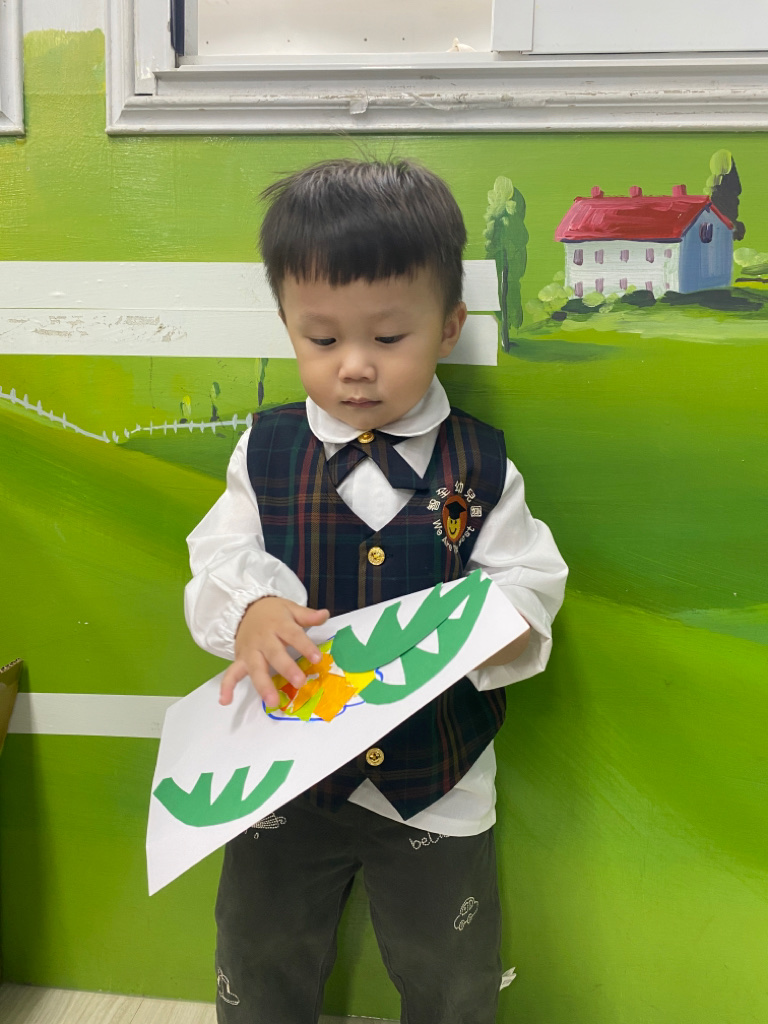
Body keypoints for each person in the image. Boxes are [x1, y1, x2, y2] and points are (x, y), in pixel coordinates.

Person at [184, 158, 568, 1024]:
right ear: (287, 325)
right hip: (282, 774)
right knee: (260, 949)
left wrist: (509, 623)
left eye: (388, 338)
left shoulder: (483, 465)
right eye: (322, 340)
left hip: (440, 781)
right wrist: (249, 610)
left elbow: (529, 575)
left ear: (448, 326)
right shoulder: (264, 452)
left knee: (450, 969)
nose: (354, 368)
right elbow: (217, 557)